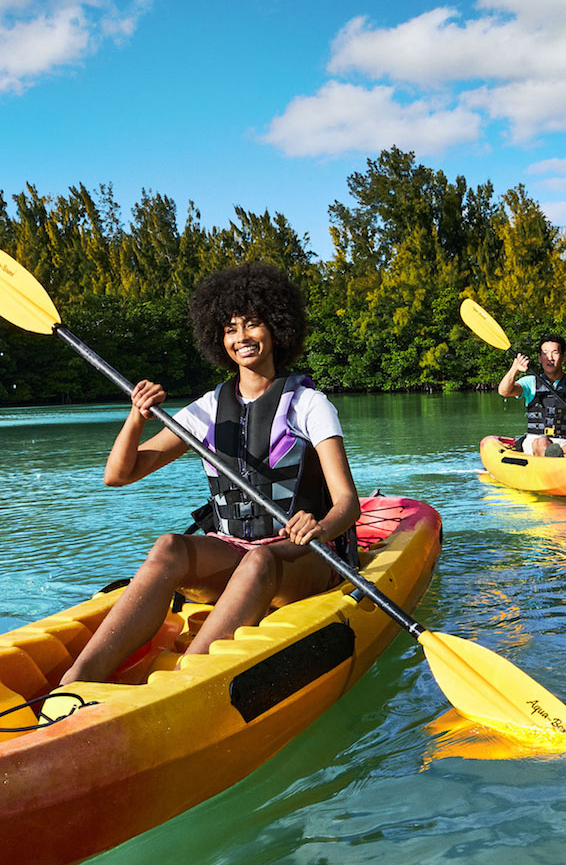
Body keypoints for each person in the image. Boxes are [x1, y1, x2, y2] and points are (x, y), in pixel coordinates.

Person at [58, 262, 360, 685]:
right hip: (234, 549)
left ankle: (181, 684)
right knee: (169, 546)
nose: (241, 337)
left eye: (252, 324)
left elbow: (347, 503)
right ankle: (75, 681)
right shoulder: (207, 408)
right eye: (230, 329)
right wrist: (136, 417)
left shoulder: (309, 405)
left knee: (260, 559)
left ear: (277, 329)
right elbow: (119, 475)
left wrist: (320, 526)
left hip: (302, 558)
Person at [497, 333, 566, 457]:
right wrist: (515, 369)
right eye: (545, 353)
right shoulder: (530, 382)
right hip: (536, 439)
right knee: (543, 442)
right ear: (540, 358)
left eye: (555, 353)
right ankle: (552, 458)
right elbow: (504, 391)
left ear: (563, 357)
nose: (550, 358)